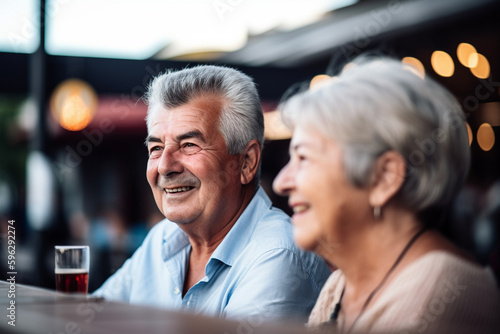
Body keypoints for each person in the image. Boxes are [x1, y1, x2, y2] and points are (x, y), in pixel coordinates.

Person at [273, 57, 500, 333]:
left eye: (303, 157)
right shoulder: (341, 285)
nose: (280, 183)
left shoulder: (442, 291)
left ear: (384, 178)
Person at [93, 65, 331, 320]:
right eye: (156, 148)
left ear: (246, 162)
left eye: (189, 145)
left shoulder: (276, 254)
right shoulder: (162, 238)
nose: (165, 166)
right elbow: (88, 317)